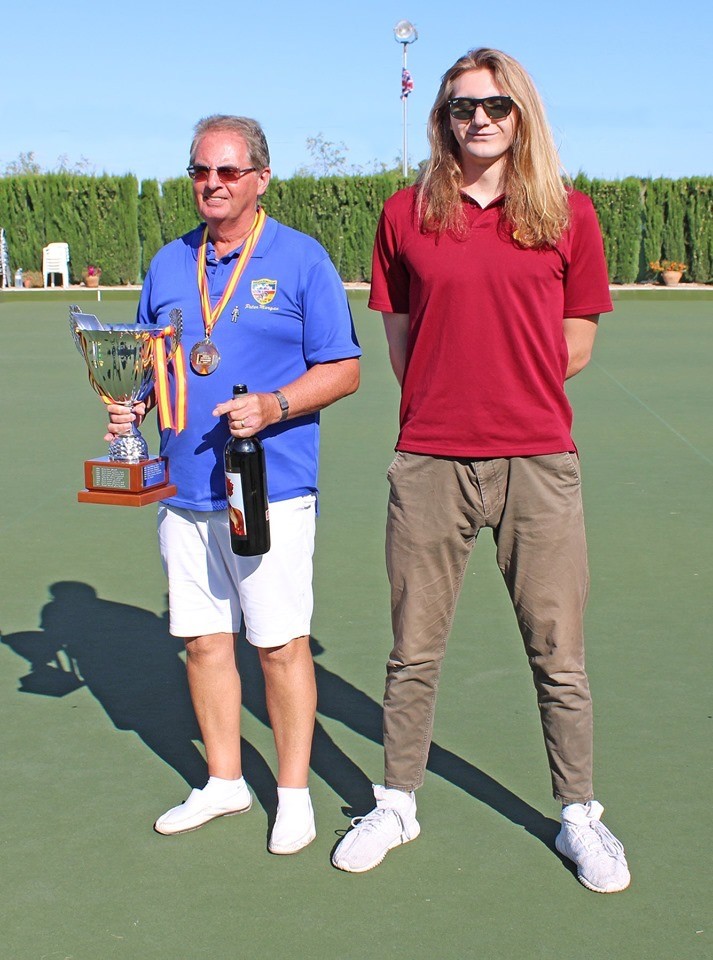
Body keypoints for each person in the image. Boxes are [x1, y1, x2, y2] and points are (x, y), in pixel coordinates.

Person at [332, 48, 630, 893]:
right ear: (443, 117)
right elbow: (398, 338)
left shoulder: (567, 213)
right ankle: (396, 801)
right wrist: (450, 394)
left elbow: (575, 342)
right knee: (412, 652)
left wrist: (507, 387)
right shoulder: (404, 214)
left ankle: (578, 815)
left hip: (538, 460)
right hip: (430, 459)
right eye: (463, 107)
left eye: (496, 106)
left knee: (558, 653)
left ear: (520, 114)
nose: (480, 120)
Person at [106, 115, 360, 854]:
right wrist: (134, 403)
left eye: (226, 172)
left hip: (268, 487)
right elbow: (153, 361)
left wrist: (275, 404)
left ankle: (292, 794)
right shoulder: (166, 263)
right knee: (204, 643)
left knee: (280, 646)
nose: (210, 185)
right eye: (198, 172)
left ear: (259, 178)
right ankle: (222, 783)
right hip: (183, 491)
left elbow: (344, 368)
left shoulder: (301, 259)